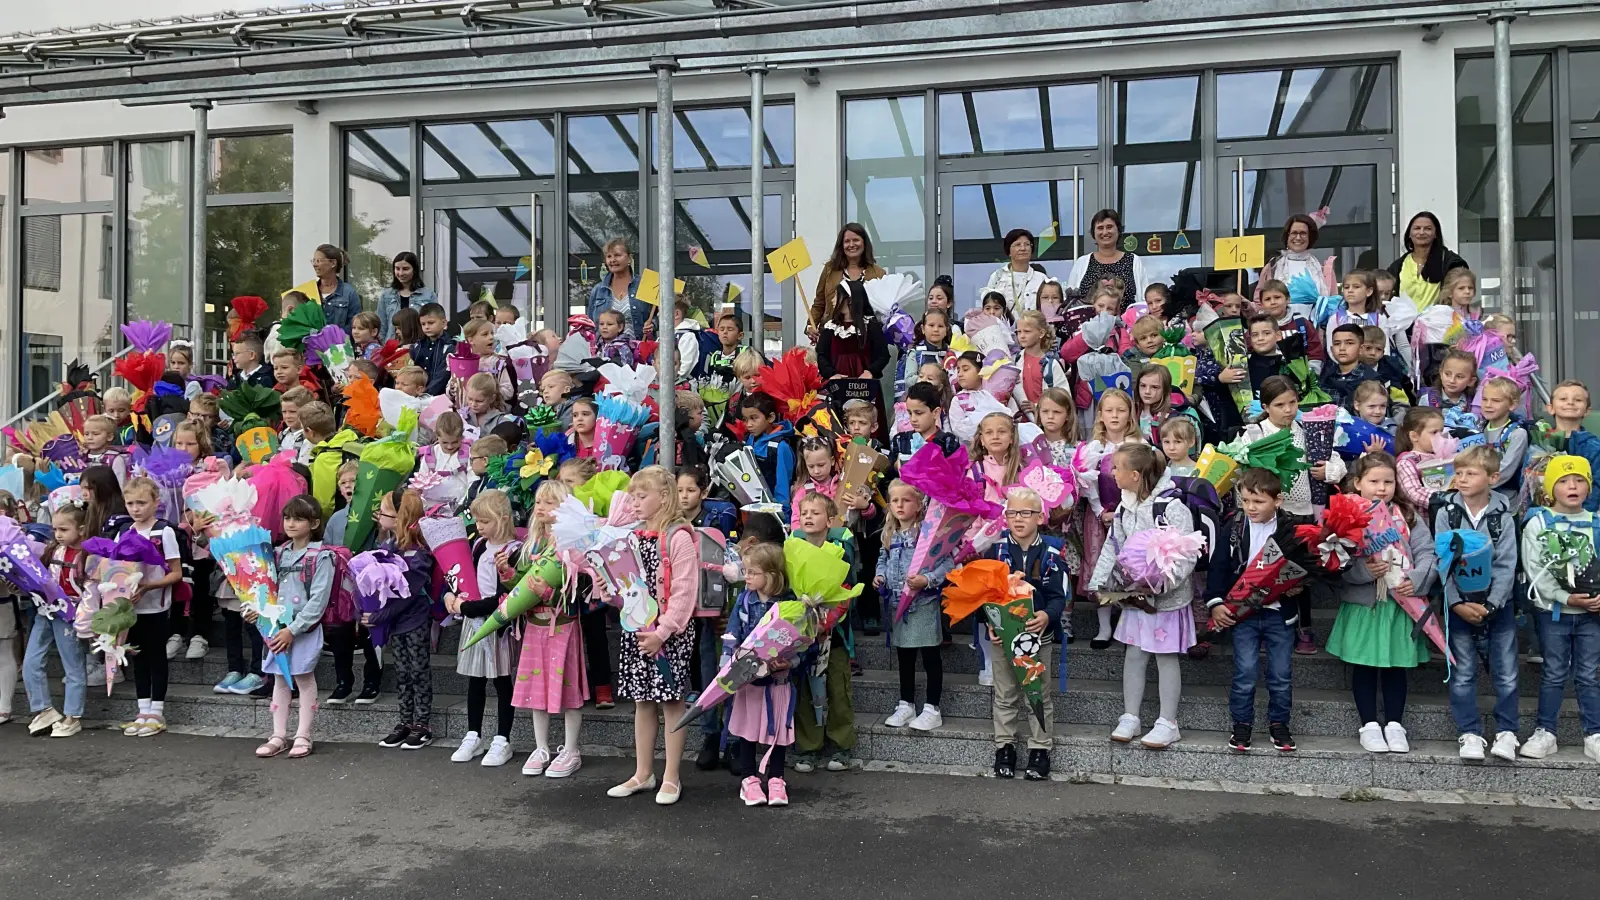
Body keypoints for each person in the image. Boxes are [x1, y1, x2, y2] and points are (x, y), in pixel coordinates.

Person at [1326, 452, 1436, 754]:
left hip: (1400, 604)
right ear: (1357, 483)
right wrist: (1364, 571)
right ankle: (1369, 724)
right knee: (1364, 666)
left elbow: (1426, 551)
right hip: (1366, 604)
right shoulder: (1347, 515)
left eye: (1388, 481)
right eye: (1374, 481)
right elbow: (1336, 560)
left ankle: (1395, 724)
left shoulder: (1407, 515)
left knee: (1395, 667)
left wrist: (1417, 577)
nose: (1381, 487)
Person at [1091, 443, 1198, 750]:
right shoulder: (1126, 506)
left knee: (1165, 658)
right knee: (1134, 655)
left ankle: (1168, 721)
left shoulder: (1172, 508)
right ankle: (1131, 716)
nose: (1112, 473)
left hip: (1165, 602)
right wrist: (1101, 583)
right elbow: (1114, 545)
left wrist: (1161, 585)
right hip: (1135, 599)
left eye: (1116, 468)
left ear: (1135, 475)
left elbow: (1186, 554)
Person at [607, 466, 700, 806]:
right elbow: (626, 584)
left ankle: (672, 776)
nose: (633, 502)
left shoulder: (678, 536)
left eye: (641, 496)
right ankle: (643, 772)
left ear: (663, 497)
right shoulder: (632, 535)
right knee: (642, 701)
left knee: (672, 702)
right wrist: (609, 593)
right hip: (637, 630)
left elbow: (684, 592)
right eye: (632, 496)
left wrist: (662, 632)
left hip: (668, 634)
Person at [1432, 446, 1521, 762]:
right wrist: (1455, 603)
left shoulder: (1503, 517)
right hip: (1459, 606)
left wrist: (1494, 604)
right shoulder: (1447, 513)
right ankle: (1469, 732)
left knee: (1507, 672)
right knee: (1464, 671)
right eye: (1459, 472)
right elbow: (1443, 561)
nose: (1463, 479)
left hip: (1498, 606)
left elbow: (1506, 563)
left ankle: (1507, 732)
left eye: (1472, 473)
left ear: (1493, 478)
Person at [1206, 467, 1302, 753]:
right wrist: (1216, 603)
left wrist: (1301, 586)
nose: (1250, 507)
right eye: (1246, 500)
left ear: (1278, 500)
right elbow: (1218, 567)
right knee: (1245, 672)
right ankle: (1242, 725)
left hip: (1279, 613)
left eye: (1258, 501)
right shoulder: (1234, 527)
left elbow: (1306, 567)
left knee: (1281, 674)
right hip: (1242, 615)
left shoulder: (1291, 530)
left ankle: (1279, 725)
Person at [981, 486, 1069, 779]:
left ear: (1040, 517)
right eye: (1012, 513)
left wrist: (1046, 615)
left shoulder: (1052, 552)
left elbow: (1059, 596)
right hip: (1003, 638)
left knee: (1037, 695)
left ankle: (1040, 748)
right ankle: (1004, 747)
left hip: (1038, 637)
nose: (1018, 519)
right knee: (1004, 694)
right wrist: (990, 624)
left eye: (1026, 513)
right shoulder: (995, 550)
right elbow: (982, 595)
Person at [1520, 454, 1600, 761]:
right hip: (1554, 614)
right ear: (1550, 488)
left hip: (1591, 616)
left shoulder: (1595, 523)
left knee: (1589, 675)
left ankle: (1593, 733)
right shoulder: (1537, 523)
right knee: (1554, 673)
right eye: (1564, 481)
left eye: (1579, 480)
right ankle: (1546, 732)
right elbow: (1534, 567)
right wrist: (1565, 598)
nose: (1572, 486)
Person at [512, 480, 589, 778]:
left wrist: (547, 594)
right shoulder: (532, 544)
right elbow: (519, 588)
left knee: (569, 689)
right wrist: (508, 575)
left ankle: (571, 749)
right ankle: (541, 746)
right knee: (536, 689)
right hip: (534, 626)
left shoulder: (573, 547)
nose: (541, 508)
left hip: (564, 626)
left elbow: (579, 596)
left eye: (549, 503)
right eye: (539, 502)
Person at [253, 495, 332, 759]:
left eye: (299, 519)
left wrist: (294, 630)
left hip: (303, 629)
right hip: (277, 627)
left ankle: (303, 734)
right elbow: (264, 589)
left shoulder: (322, 556)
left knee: (304, 678)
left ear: (314, 523)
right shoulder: (276, 553)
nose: (291, 523)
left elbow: (318, 601)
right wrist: (256, 612)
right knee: (279, 679)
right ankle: (278, 735)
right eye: (287, 517)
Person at [448, 489, 521, 768]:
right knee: (474, 680)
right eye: (477, 521)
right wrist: (454, 596)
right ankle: (473, 734)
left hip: (498, 623)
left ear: (502, 519)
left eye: (485, 521)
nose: (479, 527)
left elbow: (504, 595)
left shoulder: (513, 551)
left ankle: (503, 738)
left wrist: (466, 608)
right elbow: (465, 577)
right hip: (473, 620)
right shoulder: (478, 544)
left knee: (502, 681)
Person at [725, 541, 798, 807]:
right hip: (748, 680)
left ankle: (777, 778)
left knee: (777, 730)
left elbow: (800, 638)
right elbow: (732, 634)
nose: (746, 577)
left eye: (752, 572)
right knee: (747, 730)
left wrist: (790, 661)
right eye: (745, 571)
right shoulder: (744, 600)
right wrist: (730, 660)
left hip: (778, 680)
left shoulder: (790, 602)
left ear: (772, 575)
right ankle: (749, 779)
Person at [789, 492, 858, 774]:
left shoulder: (840, 546)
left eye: (815, 513)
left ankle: (841, 745)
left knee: (837, 689)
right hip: (803, 632)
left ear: (830, 520)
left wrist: (825, 623)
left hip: (835, 635)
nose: (808, 517)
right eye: (804, 512)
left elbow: (846, 590)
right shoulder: (793, 547)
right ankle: (808, 747)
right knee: (805, 689)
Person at [877, 480, 950, 733]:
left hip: (923, 603)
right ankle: (906, 703)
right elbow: (883, 559)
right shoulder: (889, 533)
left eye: (905, 500)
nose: (899, 504)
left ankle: (932, 707)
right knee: (904, 657)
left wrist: (927, 580)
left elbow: (946, 563)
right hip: (898, 604)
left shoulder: (928, 533)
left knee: (930, 656)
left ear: (920, 505)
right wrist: (881, 576)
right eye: (894, 500)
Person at [370, 489, 437, 750]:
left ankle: (422, 723)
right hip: (394, 623)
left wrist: (379, 615)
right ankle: (405, 720)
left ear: (401, 515)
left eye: (385, 509)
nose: (380, 513)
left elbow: (407, 593)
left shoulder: (419, 551)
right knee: (401, 671)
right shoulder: (386, 546)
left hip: (414, 619)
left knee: (418, 669)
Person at [123, 477, 185, 737]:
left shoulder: (164, 531)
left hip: (155, 607)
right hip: (131, 608)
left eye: (141, 503)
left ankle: (157, 712)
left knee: (156, 657)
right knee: (137, 658)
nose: (135, 509)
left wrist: (149, 586)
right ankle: (142, 709)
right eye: (130, 503)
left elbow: (176, 573)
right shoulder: (125, 532)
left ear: (155, 503)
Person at [24, 499, 91, 738]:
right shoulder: (53, 550)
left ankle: (73, 716)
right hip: (46, 611)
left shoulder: (87, 555)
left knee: (72, 665)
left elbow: (92, 588)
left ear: (81, 529)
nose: (58, 534)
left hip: (70, 613)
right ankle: (44, 710)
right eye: (55, 529)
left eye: (64, 529)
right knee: (31, 661)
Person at [808, 224, 884, 341]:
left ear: (864, 243)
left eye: (856, 240)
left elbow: (883, 309)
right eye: (847, 241)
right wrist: (810, 325)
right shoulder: (830, 270)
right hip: (832, 337)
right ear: (841, 245)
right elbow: (819, 303)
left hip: (867, 339)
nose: (852, 245)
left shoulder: (878, 274)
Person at [1067, 209, 1149, 311]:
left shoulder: (1133, 261)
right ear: (1093, 233)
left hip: (1128, 325)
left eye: (1109, 227)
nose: (1105, 232)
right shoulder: (1082, 262)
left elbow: (1143, 300)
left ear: (1118, 230)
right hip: (1087, 325)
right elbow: (1070, 301)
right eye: (1100, 228)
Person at [1387, 211, 1468, 311]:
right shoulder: (1398, 266)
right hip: (1404, 324)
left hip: (1438, 323)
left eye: (1428, 229)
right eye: (1417, 228)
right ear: (1409, 234)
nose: (1421, 232)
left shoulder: (1450, 262)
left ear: (1435, 234)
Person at [1257, 213, 1337, 305]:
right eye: (1294, 233)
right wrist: (1248, 307)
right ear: (1287, 236)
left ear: (1310, 237)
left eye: (1303, 233)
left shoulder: (1324, 270)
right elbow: (1260, 303)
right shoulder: (1272, 267)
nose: (1298, 238)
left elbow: (1334, 304)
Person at [586, 238, 650, 340]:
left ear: (629, 258)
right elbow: (590, 325)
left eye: (617, 255)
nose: (612, 260)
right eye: (609, 256)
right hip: (605, 352)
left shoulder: (645, 285)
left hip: (639, 351)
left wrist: (653, 324)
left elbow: (661, 316)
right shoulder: (598, 290)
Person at [983, 228, 1049, 316]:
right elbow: (988, 307)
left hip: (1033, 328)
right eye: (1017, 245)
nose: (1023, 248)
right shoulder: (998, 276)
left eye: (1027, 244)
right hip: (1003, 328)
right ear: (1008, 251)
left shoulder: (1041, 278)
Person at [1394, 406, 1448, 511]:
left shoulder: (1443, 457)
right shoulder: (1406, 462)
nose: (1440, 436)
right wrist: (1447, 498)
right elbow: (1414, 493)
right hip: (1424, 521)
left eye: (1441, 431)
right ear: (1414, 436)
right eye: (1434, 432)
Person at [376, 251, 437, 341]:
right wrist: (384, 349)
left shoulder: (428, 294)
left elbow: (434, 323)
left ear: (415, 270)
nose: (400, 273)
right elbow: (381, 326)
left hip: (419, 347)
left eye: (405, 269)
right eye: (397, 269)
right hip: (392, 347)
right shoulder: (386, 295)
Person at [1319, 323, 1380, 409]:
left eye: (1349, 343)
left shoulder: (1371, 379)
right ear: (1332, 349)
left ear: (1361, 348)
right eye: (1337, 343)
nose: (1342, 348)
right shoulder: (1325, 378)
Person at [311, 243, 362, 332]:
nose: (315, 264)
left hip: (339, 345)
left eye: (319, 260)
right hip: (312, 345)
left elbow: (355, 327)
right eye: (313, 261)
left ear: (333, 263)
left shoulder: (349, 293)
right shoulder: (309, 291)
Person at [411, 302, 454, 396]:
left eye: (431, 323)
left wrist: (426, 395)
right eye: (423, 324)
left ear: (444, 323)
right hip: (415, 395)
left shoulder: (449, 347)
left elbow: (442, 377)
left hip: (439, 396)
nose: (426, 327)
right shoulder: (417, 345)